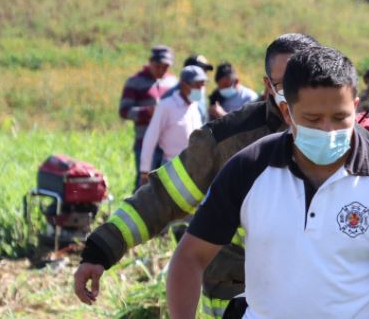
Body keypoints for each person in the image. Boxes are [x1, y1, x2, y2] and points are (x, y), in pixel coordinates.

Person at [167, 46, 369, 318]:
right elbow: (190, 257)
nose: (328, 131)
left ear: (355, 106)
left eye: (340, 117)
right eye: (313, 119)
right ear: (286, 111)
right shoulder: (248, 169)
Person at [74, 34, 320, 319]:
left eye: (306, 80)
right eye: (285, 83)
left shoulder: (349, 139)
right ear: (268, 86)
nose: (297, 92)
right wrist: (101, 249)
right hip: (240, 296)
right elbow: (163, 197)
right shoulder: (229, 139)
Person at [119, 45, 177, 188]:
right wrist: (147, 112)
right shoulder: (134, 82)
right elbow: (124, 111)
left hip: (168, 145)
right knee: (144, 184)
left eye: (166, 67)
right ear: (150, 62)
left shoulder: (173, 82)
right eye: (158, 66)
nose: (162, 70)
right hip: (144, 142)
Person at [138, 65, 206, 187]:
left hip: (194, 169)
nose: (201, 89)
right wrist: (144, 171)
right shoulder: (166, 106)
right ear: (184, 85)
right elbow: (151, 137)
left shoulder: (194, 107)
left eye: (203, 84)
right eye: (198, 85)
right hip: (172, 169)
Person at [163, 54, 214, 123]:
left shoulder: (201, 90)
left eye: (205, 71)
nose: (203, 75)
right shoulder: (170, 96)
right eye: (200, 70)